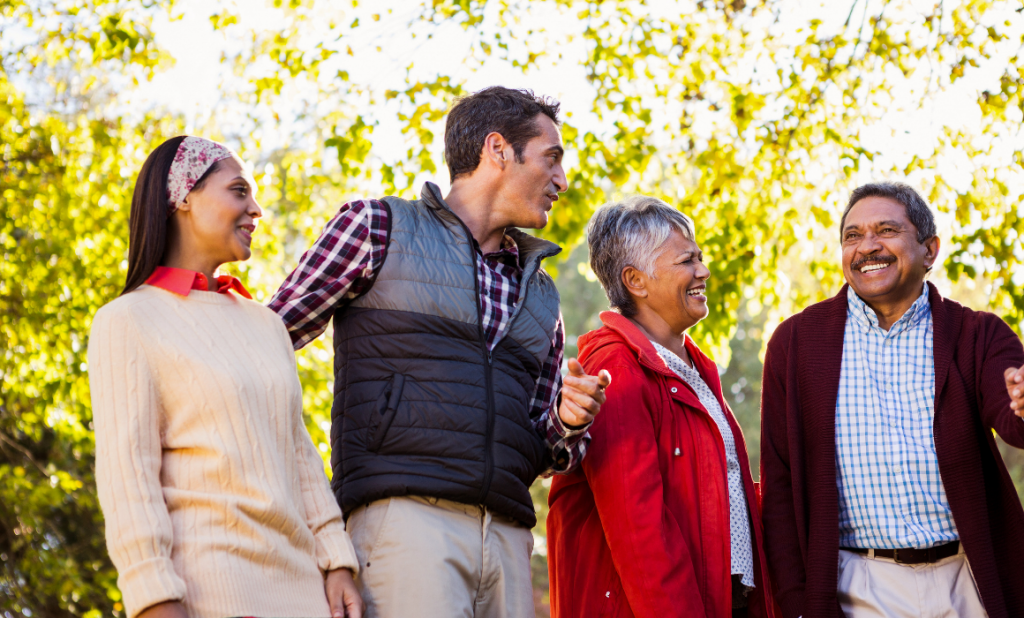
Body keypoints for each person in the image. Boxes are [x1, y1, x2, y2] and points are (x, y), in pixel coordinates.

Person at [268, 86, 611, 618]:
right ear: (498, 150)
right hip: (404, 522)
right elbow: (259, 344)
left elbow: (547, 446)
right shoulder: (377, 228)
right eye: (552, 159)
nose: (562, 182)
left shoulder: (542, 294)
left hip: (510, 539)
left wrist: (568, 420)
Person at [88, 136, 363, 618]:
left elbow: (299, 454)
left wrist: (337, 561)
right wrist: (154, 598)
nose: (256, 209)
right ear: (185, 197)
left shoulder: (265, 323)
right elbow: (128, 477)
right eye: (239, 191)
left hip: (307, 595)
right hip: (211, 592)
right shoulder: (127, 320)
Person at [760, 181, 1024, 618]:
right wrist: (796, 601)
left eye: (886, 230)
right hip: (857, 584)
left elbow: (1015, 420)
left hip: (967, 579)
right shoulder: (795, 343)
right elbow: (780, 486)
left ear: (929, 250)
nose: (867, 247)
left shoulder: (979, 334)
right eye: (852, 236)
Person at [546, 196, 777, 618]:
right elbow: (640, 534)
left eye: (701, 258)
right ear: (636, 280)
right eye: (687, 261)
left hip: (725, 600)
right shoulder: (616, 368)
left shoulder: (692, 369)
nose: (703, 271)